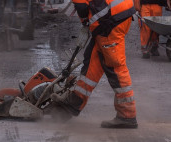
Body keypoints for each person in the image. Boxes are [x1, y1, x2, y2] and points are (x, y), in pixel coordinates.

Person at [50, 0, 138, 128]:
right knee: (93, 59)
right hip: (118, 13)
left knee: (115, 67)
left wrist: (85, 21)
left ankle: (127, 115)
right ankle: (73, 103)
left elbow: (81, 5)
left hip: (110, 20)